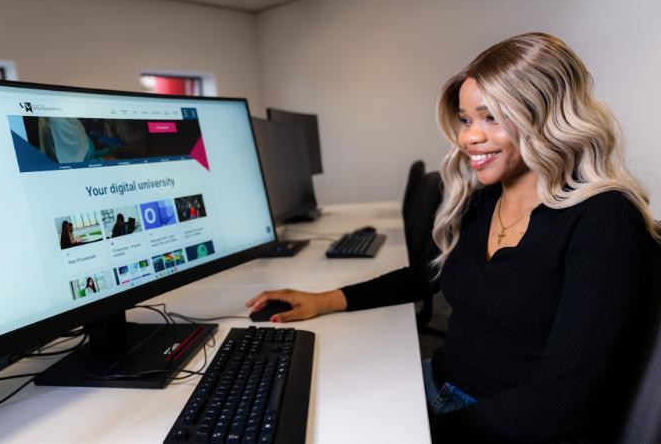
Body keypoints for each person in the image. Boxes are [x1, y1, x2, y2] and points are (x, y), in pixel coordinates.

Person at [246, 32, 659, 443]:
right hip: (437, 384)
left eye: (491, 117)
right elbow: (429, 273)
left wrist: (419, 433)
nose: (468, 138)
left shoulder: (605, 220)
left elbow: (560, 402)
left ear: (547, 115)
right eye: (465, 119)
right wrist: (326, 300)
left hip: (504, 423)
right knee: (295, 405)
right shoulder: (485, 199)